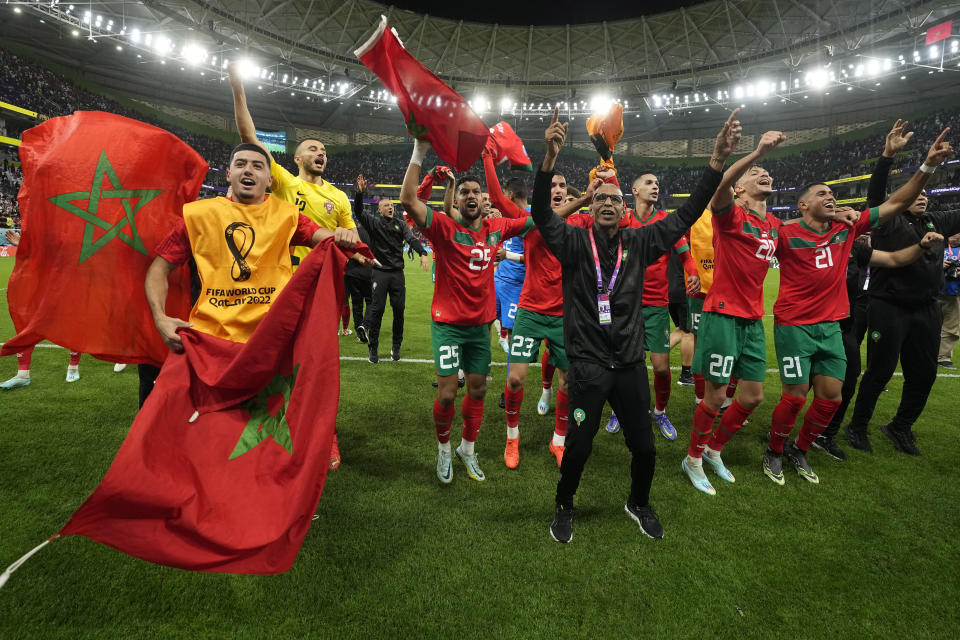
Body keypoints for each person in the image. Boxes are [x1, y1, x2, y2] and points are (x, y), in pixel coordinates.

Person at [538, 107, 741, 543]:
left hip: (630, 366)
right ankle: (564, 504)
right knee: (578, 446)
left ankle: (639, 502)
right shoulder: (573, 242)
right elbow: (541, 215)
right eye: (601, 199)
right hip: (588, 367)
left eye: (615, 199)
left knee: (645, 447)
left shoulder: (641, 240)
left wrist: (716, 161)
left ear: (624, 209)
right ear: (590, 208)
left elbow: (687, 215)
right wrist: (549, 160)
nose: (608, 203)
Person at [144, 144, 362, 461]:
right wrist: (160, 318)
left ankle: (298, 472)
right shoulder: (199, 215)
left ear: (269, 179)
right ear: (229, 173)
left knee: (272, 443)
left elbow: (322, 237)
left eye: (258, 166)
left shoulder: (287, 216)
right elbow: (158, 269)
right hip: (215, 345)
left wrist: (342, 236)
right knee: (215, 441)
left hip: (272, 345)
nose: (249, 170)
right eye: (241, 164)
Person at [763, 131, 952, 485]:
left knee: (832, 397)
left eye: (833, 194)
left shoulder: (848, 230)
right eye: (822, 194)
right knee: (794, 397)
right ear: (803, 205)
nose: (831, 197)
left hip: (831, 326)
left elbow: (896, 203)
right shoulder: (786, 235)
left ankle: (800, 449)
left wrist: (927, 165)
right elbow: (757, 237)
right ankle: (774, 449)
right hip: (793, 326)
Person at [229, 63, 359, 468]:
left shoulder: (339, 198)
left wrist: (353, 244)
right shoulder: (285, 181)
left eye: (324, 150)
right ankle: (261, 425)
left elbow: (351, 241)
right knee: (271, 359)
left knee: (317, 365)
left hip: (321, 288)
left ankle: (326, 436)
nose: (321, 153)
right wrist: (238, 90)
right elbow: (248, 137)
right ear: (297, 156)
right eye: (314, 148)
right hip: (278, 284)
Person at [399, 140, 533, 485]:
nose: (472, 196)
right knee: (446, 393)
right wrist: (419, 151)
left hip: (479, 327)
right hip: (447, 325)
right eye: (466, 192)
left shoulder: (496, 229)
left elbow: (538, 222)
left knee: (477, 391)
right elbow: (409, 201)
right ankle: (444, 449)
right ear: (457, 200)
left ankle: (467, 449)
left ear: (485, 200)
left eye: (478, 192)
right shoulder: (444, 228)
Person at [682, 129, 789, 496]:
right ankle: (693, 458)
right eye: (753, 174)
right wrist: (756, 152)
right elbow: (718, 186)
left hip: (753, 320)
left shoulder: (774, 226)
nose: (762, 173)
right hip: (722, 315)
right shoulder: (729, 217)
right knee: (714, 398)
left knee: (752, 396)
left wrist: (843, 215)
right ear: (740, 189)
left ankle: (713, 450)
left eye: (765, 170)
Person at [845, 128, 958, 456]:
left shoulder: (937, 221)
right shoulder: (888, 223)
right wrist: (887, 156)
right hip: (888, 306)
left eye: (925, 195)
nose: (922, 198)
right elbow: (877, 192)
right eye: (915, 195)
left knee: (924, 374)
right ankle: (858, 425)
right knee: (879, 371)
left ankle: (900, 427)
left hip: (927, 309)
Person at [817, 120, 915, 459]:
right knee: (799, 389)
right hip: (804, 322)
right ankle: (787, 435)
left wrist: (921, 250)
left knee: (847, 380)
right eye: (825, 198)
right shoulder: (799, 235)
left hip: (847, 320)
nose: (837, 206)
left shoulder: (856, 246)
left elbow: (891, 255)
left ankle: (826, 434)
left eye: (836, 200)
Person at [604, 172, 701, 440]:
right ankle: (618, 410)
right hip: (625, 304)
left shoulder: (666, 222)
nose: (655, 186)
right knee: (620, 363)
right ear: (634, 191)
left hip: (657, 305)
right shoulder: (624, 221)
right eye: (649, 183)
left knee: (660, 367)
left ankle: (659, 411)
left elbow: (686, 256)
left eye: (658, 183)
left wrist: (692, 273)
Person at [353, 175, 430, 363]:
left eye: (392, 206)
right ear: (379, 209)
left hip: (397, 275)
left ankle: (396, 347)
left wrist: (422, 252)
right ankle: (373, 349)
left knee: (399, 311)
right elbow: (359, 211)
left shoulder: (401, 224)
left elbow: (411, 239)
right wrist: (359, 193)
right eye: (386, 205)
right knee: (377, 311)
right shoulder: (374, 223)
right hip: (380, 272)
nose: (390, 207)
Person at [0, 229, 83, 389]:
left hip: (68, 285)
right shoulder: (47, 228)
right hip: (44, 287)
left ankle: (73, 367)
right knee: (27, 326)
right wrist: (25, 247)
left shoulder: (74, 231)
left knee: (72, 326)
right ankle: (23, 374)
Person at [347, 190, 374, 345]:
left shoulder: (351, 231)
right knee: (371, 301)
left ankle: (359, 331)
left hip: (351, 273)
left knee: (356, 303)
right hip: (368, 273)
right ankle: (365, 325)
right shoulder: (372, 233)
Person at [938, 232, 960, 368]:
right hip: (932, 292)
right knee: (924, 325)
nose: (955, 236)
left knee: (950, 327)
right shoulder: (935, 245)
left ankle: (943, 357)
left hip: (955, 293)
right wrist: (938, 264)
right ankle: (923, 352)